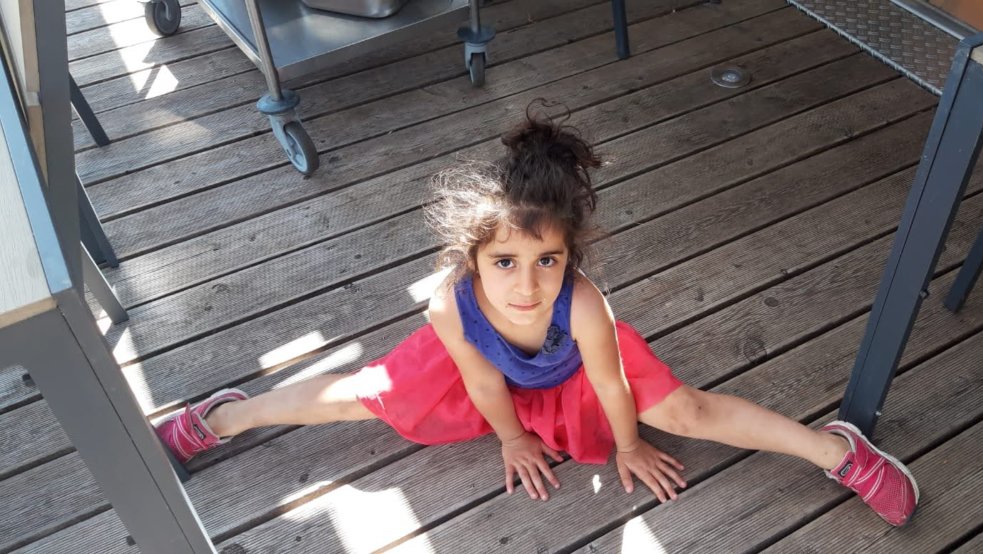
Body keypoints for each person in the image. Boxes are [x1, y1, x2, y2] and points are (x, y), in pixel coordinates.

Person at [157, 104, 918, 526]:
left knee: (685, 410)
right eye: (506, 264)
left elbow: (614, 386)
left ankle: (833, 450)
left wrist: (626, 447)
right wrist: (513, 437)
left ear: (570, 255)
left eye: (547, 261)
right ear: (472, 260)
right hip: (492, 375)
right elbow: (483, 384)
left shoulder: (583, 303)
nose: (527, 284)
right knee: (368, 394)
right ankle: (226, 416)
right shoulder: (455, 302)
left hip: (576, 372)